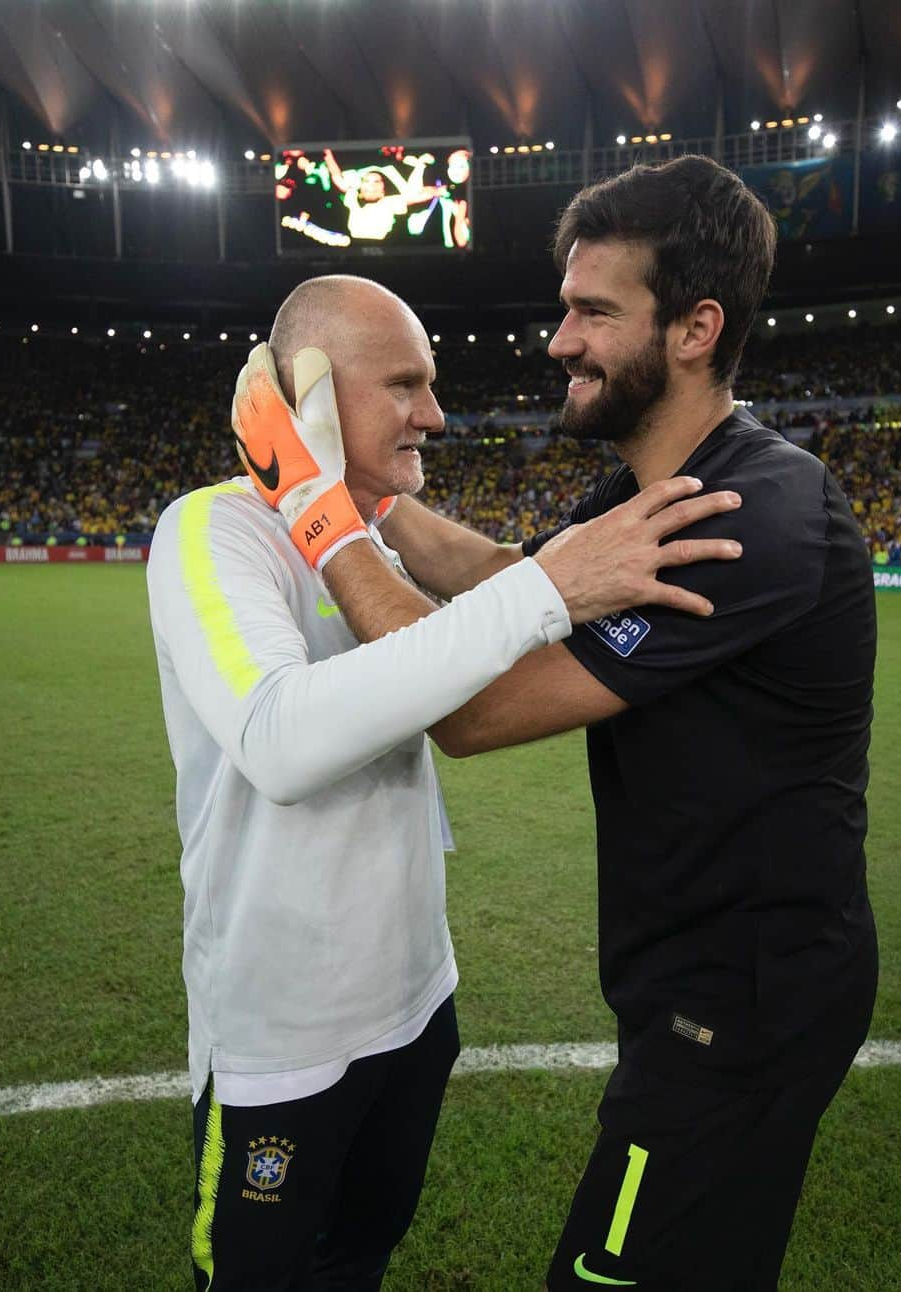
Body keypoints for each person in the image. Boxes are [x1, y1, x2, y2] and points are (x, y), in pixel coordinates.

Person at [245, 155, 879, 1291]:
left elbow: (472, 704)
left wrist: (315, 509)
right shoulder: (651, 491)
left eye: (593, 311)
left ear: (695, 328)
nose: (558, 340)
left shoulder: (742, 513)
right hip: (703, 983)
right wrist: (372, 488)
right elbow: (510, 581)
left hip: (740, 1008)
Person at [147, 272, 741, 1291]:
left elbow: (451, 608)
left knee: (358, 1259)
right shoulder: (210, 531)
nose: (435, 412)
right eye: (406, 385)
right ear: (313, 393)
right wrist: (549, 586)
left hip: (418, 1008)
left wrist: (358, 508)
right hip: (283, 1042)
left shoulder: (365, 541)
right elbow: (280, 741)